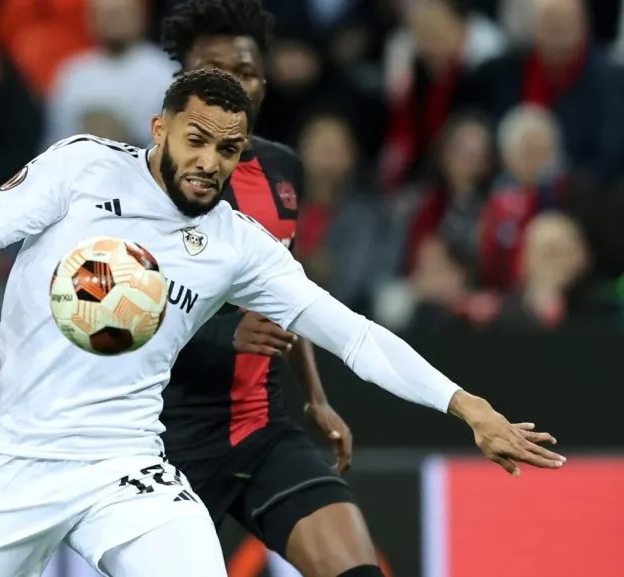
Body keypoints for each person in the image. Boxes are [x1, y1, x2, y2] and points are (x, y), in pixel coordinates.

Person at [0, 68, 565, 577]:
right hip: (9, 455)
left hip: (123, 462)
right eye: (196, 140)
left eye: (229, 148)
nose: (210, 162)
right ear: (160, 130)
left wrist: (466, 404)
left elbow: (354, 334)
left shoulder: (238, 244)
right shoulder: (80, 165)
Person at [156, 2, 380, 576]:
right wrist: (225, 333)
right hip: (165, 437)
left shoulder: (283, 169)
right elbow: (118, 304)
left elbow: (288, 287)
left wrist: (317, 396)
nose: (233, 83)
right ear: (181, 77)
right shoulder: (146, 178)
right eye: (214, 67)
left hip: (262, 424)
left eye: (248, 71)